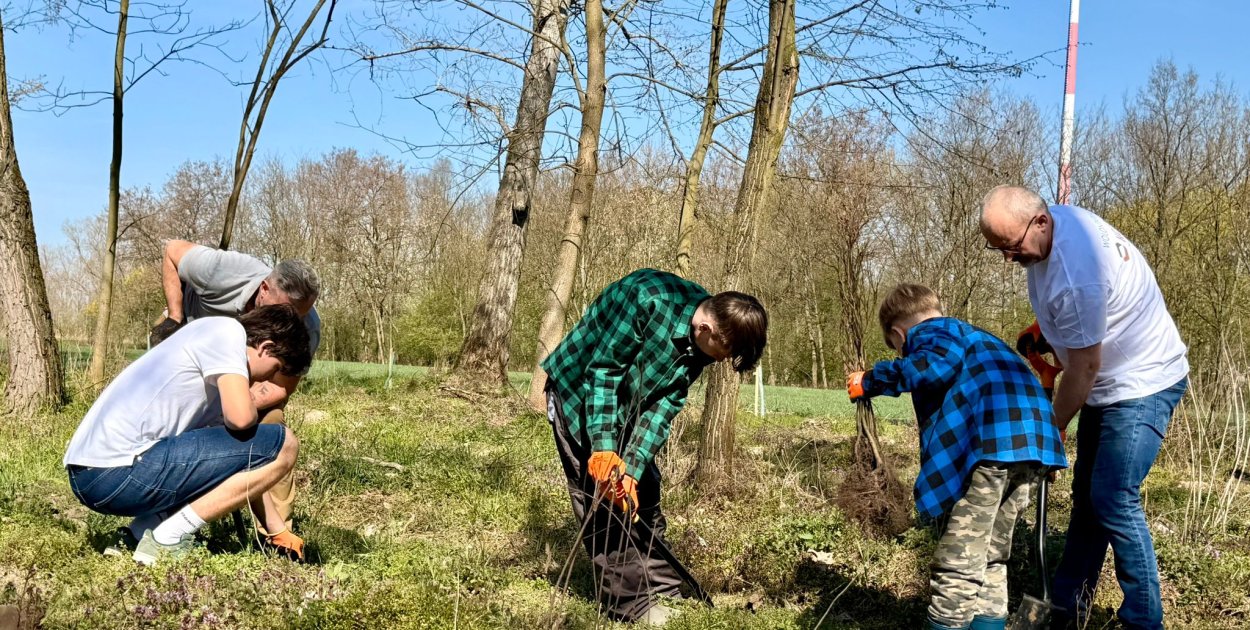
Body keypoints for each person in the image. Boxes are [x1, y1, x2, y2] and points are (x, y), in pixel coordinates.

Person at [980, 186, 1189, 630]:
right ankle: (1067, 607)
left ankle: (1143, 621)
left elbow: (1085, 368)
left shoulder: (1078, 277)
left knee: (1113, 497)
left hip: (1141, 382)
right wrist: (1048, 331)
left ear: (1039, 222)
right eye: (998, 249)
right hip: (1106, 379)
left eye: (1011, 247)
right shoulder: (1054, 226)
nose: (1007, 258)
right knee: (1087, 500)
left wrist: (1052, 430)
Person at [541, 268, 768, 625]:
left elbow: (663, 406)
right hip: (580, 392)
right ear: (707, 329)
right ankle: (631, 605)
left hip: (629, 402)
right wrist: (602, 449)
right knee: (602, 500)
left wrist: (631, 467)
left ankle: (663, 589)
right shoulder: (647, 300)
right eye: (724, 352)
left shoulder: (701, 341)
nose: (722, 361)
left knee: (642, 490)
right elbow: (603, 373)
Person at [846, 284, 1066, 630]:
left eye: (898, 349)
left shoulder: (934, 334)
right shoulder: (979, 338)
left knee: (958, 560)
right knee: (991, 556)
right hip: (1030, 450)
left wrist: (871, 380)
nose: (904, 354)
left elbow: (930, 367)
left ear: (897, 334)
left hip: (990, 449)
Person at [64, 305, 312, 565]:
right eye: (275, 369)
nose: (267, 381)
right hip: (115, 472)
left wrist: (276, 530)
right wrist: (256, 402)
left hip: (93, 475)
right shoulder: (228, 332)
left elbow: (241, 463)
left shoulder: (208, 353)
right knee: (286, 443)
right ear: (265, 347)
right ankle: (167, 538)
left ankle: (138, 534)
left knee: (226, 455)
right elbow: (242, 419)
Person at [149, 240, 321, 558]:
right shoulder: (221, 272)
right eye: (284, 312)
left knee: (272, 430)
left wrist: (235, 405)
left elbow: (281, 388)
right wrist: (175, 316)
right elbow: (172, 250)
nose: (292, 324)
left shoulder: (307, 329)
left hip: (246, 386)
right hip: (188, 366)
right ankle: (159, 521)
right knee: (173, 431)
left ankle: (276, 535)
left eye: (299, 316)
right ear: (264, 289)